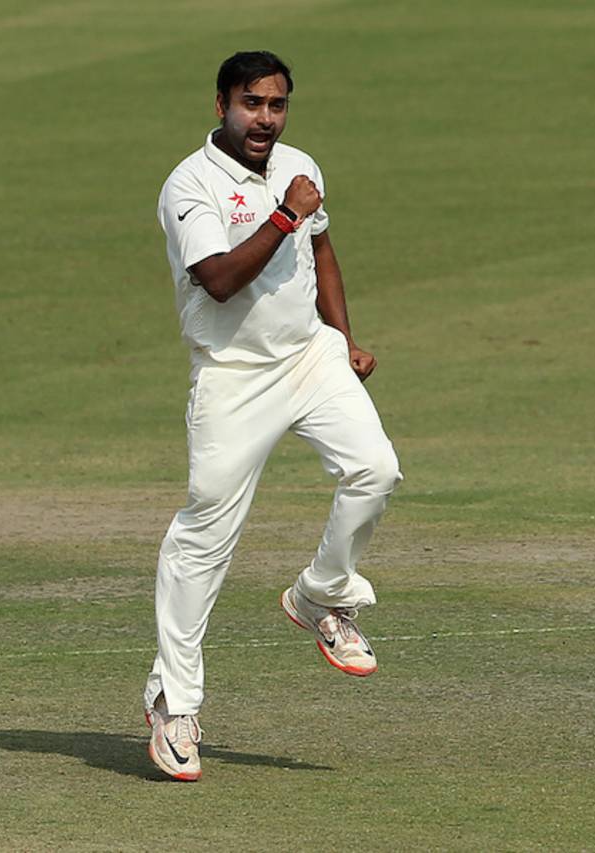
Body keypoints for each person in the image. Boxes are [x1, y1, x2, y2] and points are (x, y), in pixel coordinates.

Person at [142, 51, 402, 782]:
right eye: (252, 103)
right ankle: (174, 703)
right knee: (205, 532)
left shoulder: (300, 163)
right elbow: (219, 280)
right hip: (233, 375)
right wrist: (286, 210)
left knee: (376, 469)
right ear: (220, 103)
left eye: (277, 105)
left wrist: (343, 336)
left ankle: (321, 593)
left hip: (308, 356)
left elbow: (322, 251)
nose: (265, 118)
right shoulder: (189, 185)